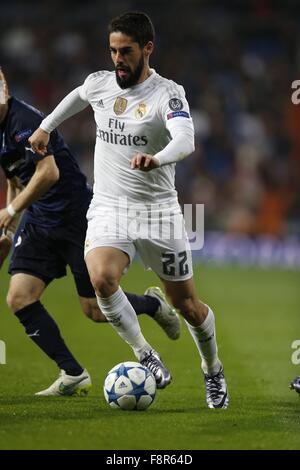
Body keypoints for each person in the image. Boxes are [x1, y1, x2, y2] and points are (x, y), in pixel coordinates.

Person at [30, 11, 229, 408]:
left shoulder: (167, 94)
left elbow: (185, 140)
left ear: (147, 49)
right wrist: (46, 127)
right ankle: (144, 353)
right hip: (109, 207)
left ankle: (213, 371)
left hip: (158, 212)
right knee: (101, 278)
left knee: (187, 306)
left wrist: (157, 159)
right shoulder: (102, 84)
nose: (117, 59)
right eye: (113, 51)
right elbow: (78, 96)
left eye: (126, 51)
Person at [0, 67, 181, 396]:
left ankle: (153, 306)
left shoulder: (24, 120)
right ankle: (72, 373)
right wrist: (10, 227)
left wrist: (10, 211)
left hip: (74, 215)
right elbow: (15, 178)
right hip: (40, 219)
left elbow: (48, 173)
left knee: (95, 309)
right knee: (19, 297)